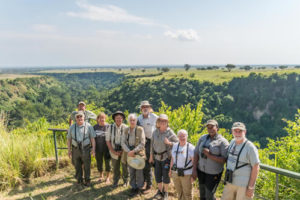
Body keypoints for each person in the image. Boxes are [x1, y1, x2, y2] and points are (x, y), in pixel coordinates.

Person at [221, 122, 260, 200]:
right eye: (235, 131)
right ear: (232, 131)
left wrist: (251, 187)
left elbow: (256, 167)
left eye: (240, 131)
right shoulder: (232, 142)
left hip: (243, 185)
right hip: (230, 181)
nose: (237, 133)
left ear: (244, 132)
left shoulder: (250, 147)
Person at [192, 119, 229, 200]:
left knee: (209, 196)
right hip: (201, 171)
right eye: (208, 127)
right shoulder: (202, 138)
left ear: (217, 128)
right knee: (202, 194)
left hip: (213, 174)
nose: (210, 129)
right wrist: (194, 169)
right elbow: (196, 153)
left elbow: (224, 160)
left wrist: (209, 155)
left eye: (212, 127)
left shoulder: (223, 142)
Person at [149, 114, 178, 200]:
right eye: (161, 121)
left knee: (165, 175)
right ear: (158, 122)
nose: (162, 122)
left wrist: (169, 143)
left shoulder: (170, 132)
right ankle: (159, 191)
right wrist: (151, 156)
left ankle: (165, 192)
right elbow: (151, 145)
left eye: (165, 121)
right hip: (156, 157)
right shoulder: (155, 132)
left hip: (166, 157)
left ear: (167, 122)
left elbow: (178, 143)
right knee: (157, 174)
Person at [67, 111, 96, 186]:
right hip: (75, 148)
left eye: (81, 116)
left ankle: (87, 180)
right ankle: (79, 180)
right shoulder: (72, 127)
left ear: (84, 118)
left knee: (87, 164)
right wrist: (69, 150)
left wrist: (93, 149)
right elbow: (69, 139)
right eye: (78, 117)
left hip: (86, 148)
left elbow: (92, 139)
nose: (79, 118)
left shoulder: (89, 126)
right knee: (77, 165)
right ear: (75, 118)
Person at [121, 113, 146, 196]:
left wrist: (134, 151)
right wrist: (128, 151)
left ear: (136, 121)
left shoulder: (140, 129)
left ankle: (139, 188)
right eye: (131, 120)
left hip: (137, 153)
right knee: (131, 171)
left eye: (134, 120)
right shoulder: (126, 130)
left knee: (139, 171)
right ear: (128, 121)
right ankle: (133, 187)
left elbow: (142, 143)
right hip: (129, 153)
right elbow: (123, 142)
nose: (132, 122)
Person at [137, 100, 158, 193]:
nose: (145, 108)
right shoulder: (139, 118)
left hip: (152, 142)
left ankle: (150, 185)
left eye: (147, 107)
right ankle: (145, 182)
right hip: (142, 142)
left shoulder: (155, 117)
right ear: (141, 109)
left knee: (150, 164)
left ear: (149, 108)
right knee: (143, 163)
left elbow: (161, 126)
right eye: (143, 107)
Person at [169, 129, 195, 200]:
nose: (182, 138)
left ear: (187, 136)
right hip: (176, 173)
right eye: (180, 136)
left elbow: (194, 163)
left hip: (187, 174)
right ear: (177, 137)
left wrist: (194, 176)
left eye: (184, 136)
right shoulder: (175, 146)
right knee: (179, 192)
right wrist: (170, 170)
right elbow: (172, 159)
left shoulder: (191, 148)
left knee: (187, 193)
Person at [105, 111, 129, 188]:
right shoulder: (110, 127)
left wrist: (123, 150)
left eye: (120, 118)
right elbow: (107, 140)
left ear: (123, 119)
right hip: (113, 151)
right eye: (117, 118)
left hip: (124, 151)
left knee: (125, 167)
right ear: (114, 119)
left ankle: (126, 181)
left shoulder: (126, 127)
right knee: (115, 167)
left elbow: (128, 141)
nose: (119, 119)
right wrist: (113, 151)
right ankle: (115, 181)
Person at [94, 112, 111, 183]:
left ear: (105, 118)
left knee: (108, 163)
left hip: (107, 148)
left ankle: (108, 177)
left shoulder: (109, 126)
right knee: (99, 162)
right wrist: (93, 149)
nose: (102, 119)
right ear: (97, 119)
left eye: (103, 118)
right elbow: (93, 139)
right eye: (100, 118)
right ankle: (101, 176)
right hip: (98, 148)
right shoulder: (94, 127)